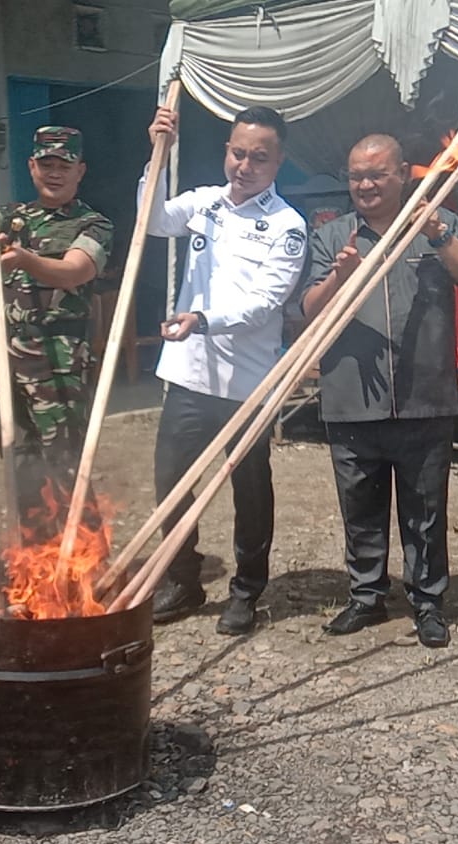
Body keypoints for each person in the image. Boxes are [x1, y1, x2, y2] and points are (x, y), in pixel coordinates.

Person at [301, 134, 458, 647]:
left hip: (423, 395)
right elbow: (307, 312)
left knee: (426, 508)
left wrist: (439, 235)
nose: (364, 184)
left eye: (376, 174)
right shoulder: (332, 235)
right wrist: (339, 277)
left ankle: (428, 602)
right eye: (356, 176)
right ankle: (365, 595)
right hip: (350, 396)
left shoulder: (436, 222)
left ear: (402, 173)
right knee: (359, 505)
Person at [138, 105, 307, 635]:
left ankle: (246, 592)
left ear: (278, 162)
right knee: (171, 480)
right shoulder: (203, 203)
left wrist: (203, 318)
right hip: (188, 374)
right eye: (238, 153)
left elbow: (265, 302)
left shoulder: (288, 226)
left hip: (246, 384)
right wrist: (157, 154)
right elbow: (152, 218)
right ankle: (181, 578)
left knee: (249, 488)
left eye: (259, 157)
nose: (245, 165)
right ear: (226, 151)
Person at [0, 110, 114, 530]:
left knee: (66, 468)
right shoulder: (13, 217)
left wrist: (23, 259)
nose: (55, 173)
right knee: (21, 470)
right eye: (46, 164)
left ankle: (88, 566)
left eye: (64, 165)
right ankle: (35, 567)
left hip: (59, 365)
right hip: (9, 363)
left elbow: (74, 270)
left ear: (81, 170)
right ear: (32, 166)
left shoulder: (92, 223)